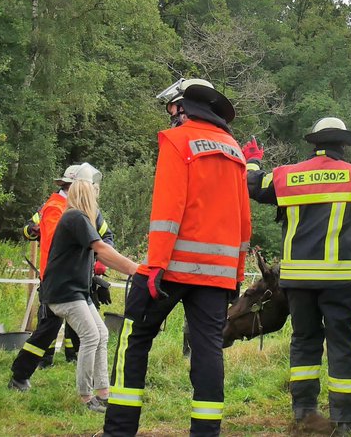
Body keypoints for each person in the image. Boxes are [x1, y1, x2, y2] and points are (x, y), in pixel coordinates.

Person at [104, 78, 252, 437]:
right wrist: (236, 274)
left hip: (170, 270)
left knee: (134, 339)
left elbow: (168, 211)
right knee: (208, 351)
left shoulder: (177, 140)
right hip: (217, 276)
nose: (170, 114)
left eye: (172, 107)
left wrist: (155, 266)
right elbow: (244, 221)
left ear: (184, 107)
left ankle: (119, 431)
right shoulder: (235, 150)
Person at [244, 117, 351, 434]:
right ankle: (346, 417)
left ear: (313, 143)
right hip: (339, 278)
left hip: (298, 279)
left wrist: (251, 160)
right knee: (342, 342)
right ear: (344, 145)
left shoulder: (287, 176)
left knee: (304, 340)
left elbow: (251, 184)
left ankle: (304, 411)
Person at [9, 163, 116, 390]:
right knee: (49, 330)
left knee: (81, 331)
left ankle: (73, 366)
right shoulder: (55, 208)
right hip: (58, 279)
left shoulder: (88, 210)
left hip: (78, 279)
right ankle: (21, 375)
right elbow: (41, 239)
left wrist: (98, 264)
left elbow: (106, 236)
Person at [41, 174, 140, 412]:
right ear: (89, 194)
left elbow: (98, 251)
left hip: (77, 291)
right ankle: (85, 397)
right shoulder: (75, 217)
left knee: (102, 334)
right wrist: (136, 270)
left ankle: (103, 392)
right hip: (65, 292)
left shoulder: (79, 218)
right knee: (91, 337)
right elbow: (102, 249)